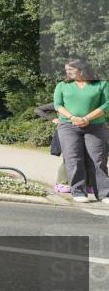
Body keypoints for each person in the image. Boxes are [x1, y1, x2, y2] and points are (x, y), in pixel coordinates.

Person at [54, 59, 109, 204]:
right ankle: (78, 191)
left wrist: (86, 118)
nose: (68, 72)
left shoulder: (101, 84)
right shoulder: (62, 86)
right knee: (73, 158)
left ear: (82, 70)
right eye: (67, 70)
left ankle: (104, 194)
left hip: (95, 126)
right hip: (68, 126)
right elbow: (58, 105)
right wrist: (72, 117)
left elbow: (106, 105)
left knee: (98, 160)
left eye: (71, 69)